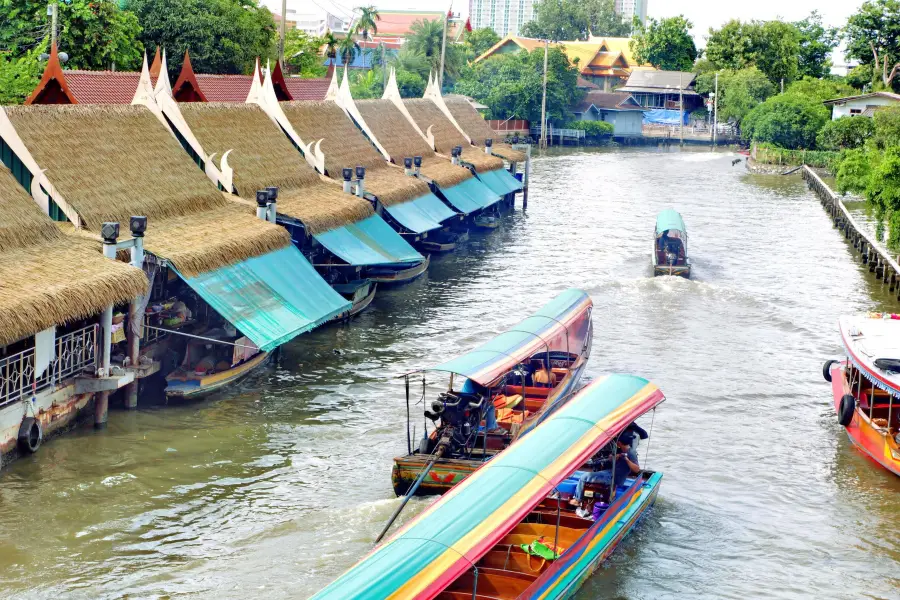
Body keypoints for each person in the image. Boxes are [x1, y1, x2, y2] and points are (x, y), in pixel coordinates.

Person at [569, 435, 640, 517]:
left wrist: (627, 460)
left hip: (614, 477)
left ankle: (578, 500)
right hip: (610, 472)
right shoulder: (622, 450)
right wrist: (613, 457)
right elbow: (612, 460)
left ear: (619, 443)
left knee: (584, 477)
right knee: (590, 473)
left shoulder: (631, 453)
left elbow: (637, 469)